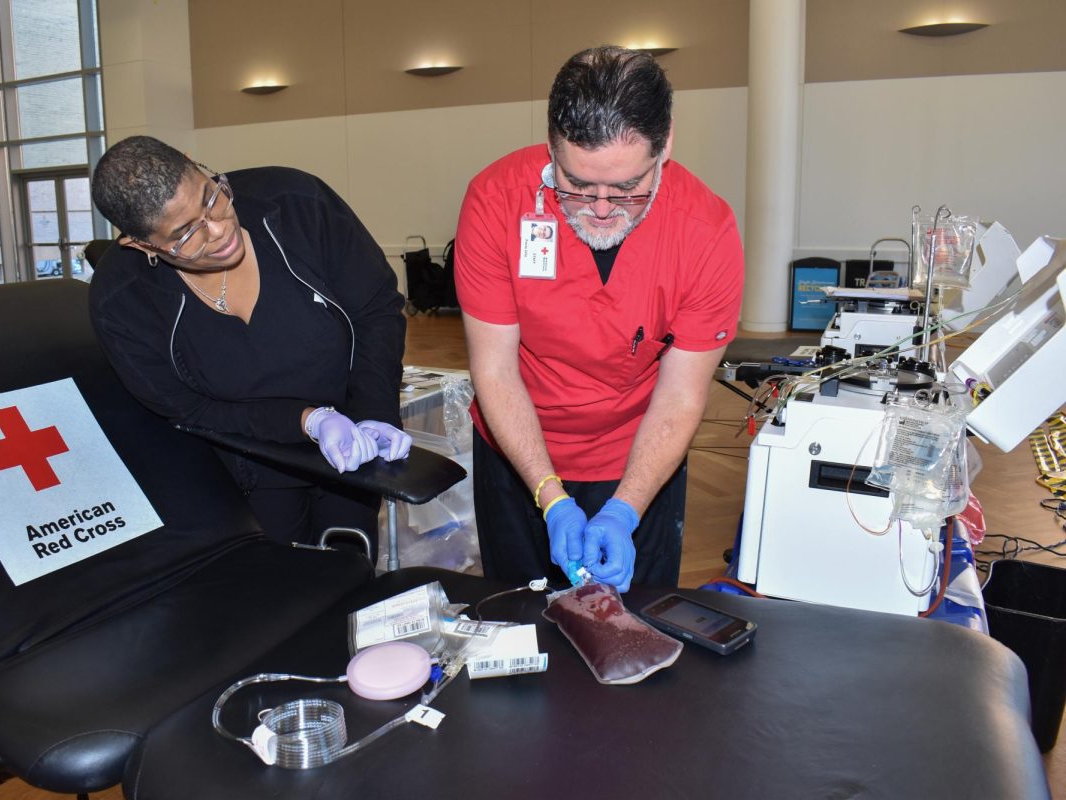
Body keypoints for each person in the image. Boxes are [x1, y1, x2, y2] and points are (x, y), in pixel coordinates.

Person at [454, 46, 745, 592]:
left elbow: (681, 395)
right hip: (517, 449)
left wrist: (625, 510)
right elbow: (494, 370)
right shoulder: (494, 201)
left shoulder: (706, 232)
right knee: (520, 621)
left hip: (639, 454)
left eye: (629, 187)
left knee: (635, 624)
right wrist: (550, 496)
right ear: (551, 146)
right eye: (577, 185)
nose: (603, 207)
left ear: (666, 147)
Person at [89, 136, 411, 554]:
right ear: (141, 244)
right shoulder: (123, 301)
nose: (221, 230)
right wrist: (306, 420)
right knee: (279, 590)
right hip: (242, 464)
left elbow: (377, 309)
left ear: (195, 164)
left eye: (211, 198)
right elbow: (188, 408)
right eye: (186, 235)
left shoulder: (297, 204)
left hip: (351, 445)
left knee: (351, 569)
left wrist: (374, 411)